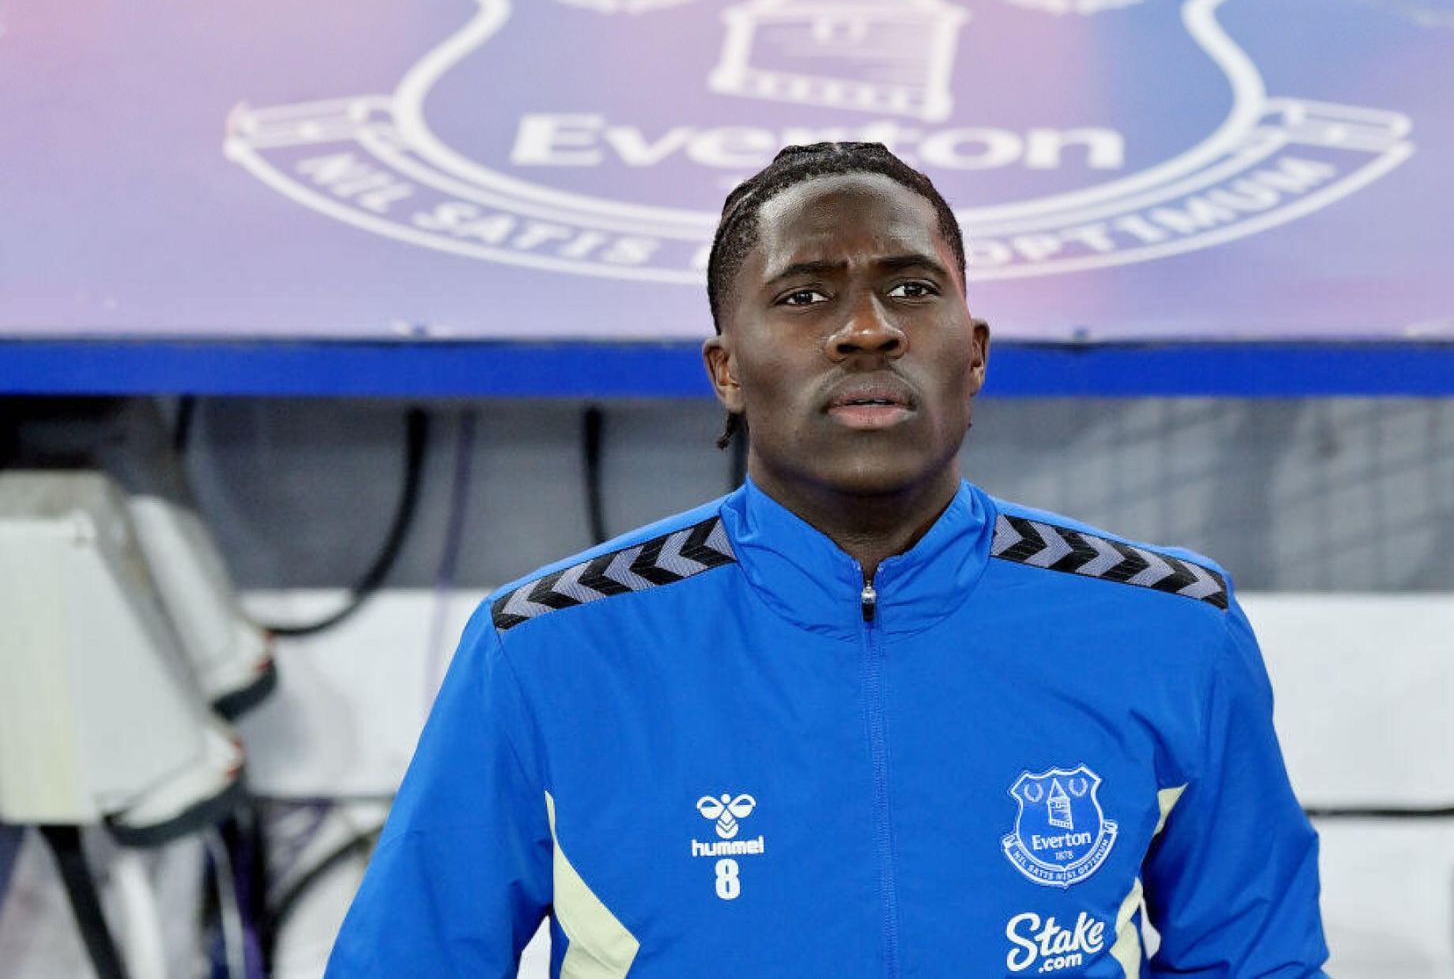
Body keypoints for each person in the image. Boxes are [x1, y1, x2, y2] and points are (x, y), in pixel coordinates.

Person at [328, 143, 1329, 977]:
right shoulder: (547, 654)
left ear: (972, 353)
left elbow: (1254, 960)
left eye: (908, 288)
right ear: (726, 368)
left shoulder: (1167, 629)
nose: (866, 329)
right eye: (805, 294)